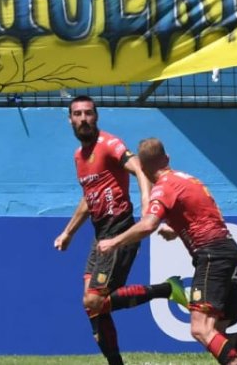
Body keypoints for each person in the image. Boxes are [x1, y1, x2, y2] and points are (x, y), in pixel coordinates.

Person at [97, 138, 237, 365]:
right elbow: (202, 215)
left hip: (212, 256)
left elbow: (148, 224)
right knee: (216, 334)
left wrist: (114, 242)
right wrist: (176, 229)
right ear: (167, 158)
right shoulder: (189, 180)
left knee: (199, 329)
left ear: (144, 169)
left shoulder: (163, 187)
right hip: (232, 254)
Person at [52, 95, 187, 365]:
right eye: (77, 114)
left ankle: (166, 289)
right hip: (100, 235)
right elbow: (88, 199)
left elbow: (138, 166)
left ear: (96, 117)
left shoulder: (109, 144)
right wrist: (68, 232)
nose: (83, 119)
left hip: (120, 230)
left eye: (88, 113)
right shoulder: (79, 157)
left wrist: (148, 203)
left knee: (93, 302)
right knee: (94, 309)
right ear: (69, 120)